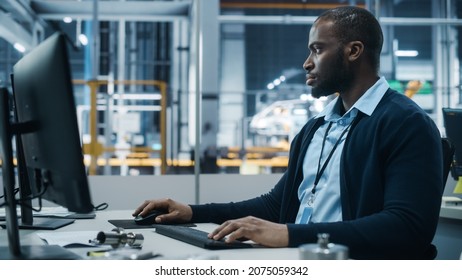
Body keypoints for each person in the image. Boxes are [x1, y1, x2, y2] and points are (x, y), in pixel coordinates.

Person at [133, 6, 444, 259]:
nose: (307, 63)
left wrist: (288, 234)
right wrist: (191, 212)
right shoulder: (316, 128)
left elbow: (406, 227)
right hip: (296, 259)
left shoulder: (405, 123)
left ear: (354, 51)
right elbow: (276, 206)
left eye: (318, 50)